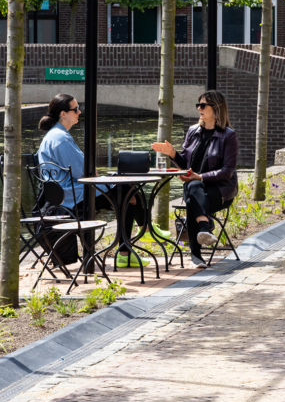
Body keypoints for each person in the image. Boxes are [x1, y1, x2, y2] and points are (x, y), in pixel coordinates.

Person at [37, 93, 169, 268]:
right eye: (75, 109)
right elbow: (83, 172)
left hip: (68, 193)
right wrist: (96, 172)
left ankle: (137, 238)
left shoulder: (56, 135)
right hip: (73, 196)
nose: (79, 112)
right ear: (63, 114)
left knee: (128, 191)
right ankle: (138, 237)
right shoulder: (60, 138)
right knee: (127, 191)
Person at [152, 90, 238, 269]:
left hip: (219, 190)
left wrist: (200, 176)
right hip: (194, 186)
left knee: (192, 198)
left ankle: (196, 255)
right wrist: (172, 153)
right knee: (194, 189)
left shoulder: (229, 136)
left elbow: (227, 171)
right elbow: (185, 162)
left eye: (203, 105)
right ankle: (204, 229)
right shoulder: (192, 131)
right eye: (198, 105)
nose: (199, 108)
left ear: (216, 108)